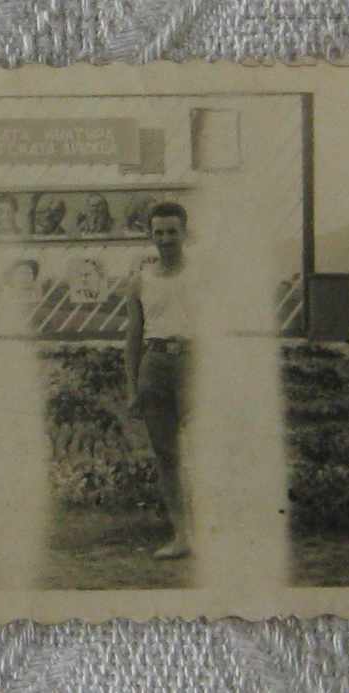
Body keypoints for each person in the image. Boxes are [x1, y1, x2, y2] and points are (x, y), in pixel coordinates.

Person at [125, 202, 194, 560]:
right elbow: (133, 337)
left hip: (194, 363)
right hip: (154, 364)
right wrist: (132, 386)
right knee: (167, 454)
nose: (166, 239)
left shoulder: (202, 275)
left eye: (172, 231)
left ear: (185, 232)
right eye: (159, 232)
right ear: (150, 235)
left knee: (202, 449)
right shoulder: (141, 281)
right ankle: (182, 535)